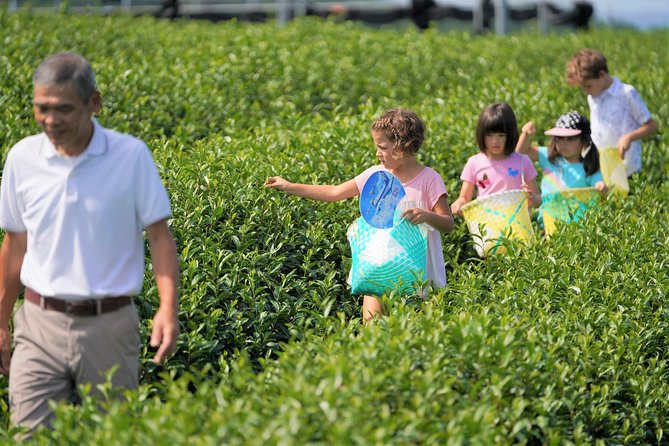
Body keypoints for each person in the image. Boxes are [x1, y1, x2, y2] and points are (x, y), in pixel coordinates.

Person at [0, 52, 180, 434]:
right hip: (37, 323)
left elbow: (160, 239)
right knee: (29, 434)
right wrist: (0, 320)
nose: (50, 120)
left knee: (112, 435)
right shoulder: (22, 158)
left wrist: (168, 309)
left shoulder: (131, 156)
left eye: (63, 109)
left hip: (109, 325)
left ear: (93, 103)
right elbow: (15, 246)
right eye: (41, 108)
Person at [265, 109, 454, 322]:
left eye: (382, 147)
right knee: (371, 325)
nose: (377, 153)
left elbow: (447, 223)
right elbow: (335, 192)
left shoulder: (429, 179)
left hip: (416, 268)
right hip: (377, 263)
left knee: (414, 326)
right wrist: (289, 186)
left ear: (403, 146)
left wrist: (426, 216)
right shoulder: (376, 176)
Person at [565, 49, 658, 177]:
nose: (586, 91)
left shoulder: (626, 93)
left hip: (628, 168)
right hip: (602, 167)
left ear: (602, 74)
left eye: (588, 86)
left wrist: (629, 137)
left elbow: (652, 125)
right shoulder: (592, 98)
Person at [516, 111, 607, 227]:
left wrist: (601, 187)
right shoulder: (549, 158)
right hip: (548, 223)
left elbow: (600, 185)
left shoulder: (588, 167)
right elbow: (520, 154)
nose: (564, 143)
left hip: (576, 225)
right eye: (560, 138)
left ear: (583, 141)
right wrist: (525, 134)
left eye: (570, 139)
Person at [451, 102, 541, 217]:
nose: (495, 141)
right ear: (481, 135)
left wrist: (532, 197)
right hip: (488, 226)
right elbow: (464, 198)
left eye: (501, 135)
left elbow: (538, 201)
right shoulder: (474, 163)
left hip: (518, 226)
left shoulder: (523, 161)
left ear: (510, 134)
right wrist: (459, 204)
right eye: (489, 135)